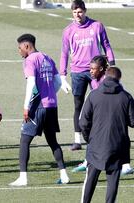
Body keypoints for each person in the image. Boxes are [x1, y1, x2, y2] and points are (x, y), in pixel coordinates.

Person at [9, 34, 69, 186]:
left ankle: (23, 178)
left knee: (24, 140)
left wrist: (26, 106)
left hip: (38, 107)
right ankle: (64, 174)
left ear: (27, 46)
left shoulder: (30, 60)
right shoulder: (47, 58)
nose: (19, 51)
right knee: (52, 141)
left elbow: (31, 83)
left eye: (20, 48)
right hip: (52, 106)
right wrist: (50, 94)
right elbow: (57, 82)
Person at [60, 0, 115, 151]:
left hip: (96, 72)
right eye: (74, 12)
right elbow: (64, 54)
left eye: (80, 12)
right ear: (72, 13)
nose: (78, 15)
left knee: (100, 103)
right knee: (78, 105)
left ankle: (101, 135)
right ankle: (77, 140)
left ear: (85, 11)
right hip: (77, 72)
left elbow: (106, 45)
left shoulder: (97, 26)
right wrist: (62, 75)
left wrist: (112, 63)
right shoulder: (68, 31)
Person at [79, 67, 134, 203]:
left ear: (105, 77)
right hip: (117, 146)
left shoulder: (93, 95)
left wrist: (89, 139)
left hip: (96, 145)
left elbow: (83, 122)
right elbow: (133, 122)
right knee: (113, 182)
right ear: (119, 79)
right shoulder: (126, 97)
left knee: (90, 180)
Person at [72, 56, 133, 175]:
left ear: (101, 69)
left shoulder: (107, 80)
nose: (90, 71)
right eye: (90, 68)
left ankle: (124, 165)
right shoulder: (96, 80)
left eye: (93, 69)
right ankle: (87, 161)